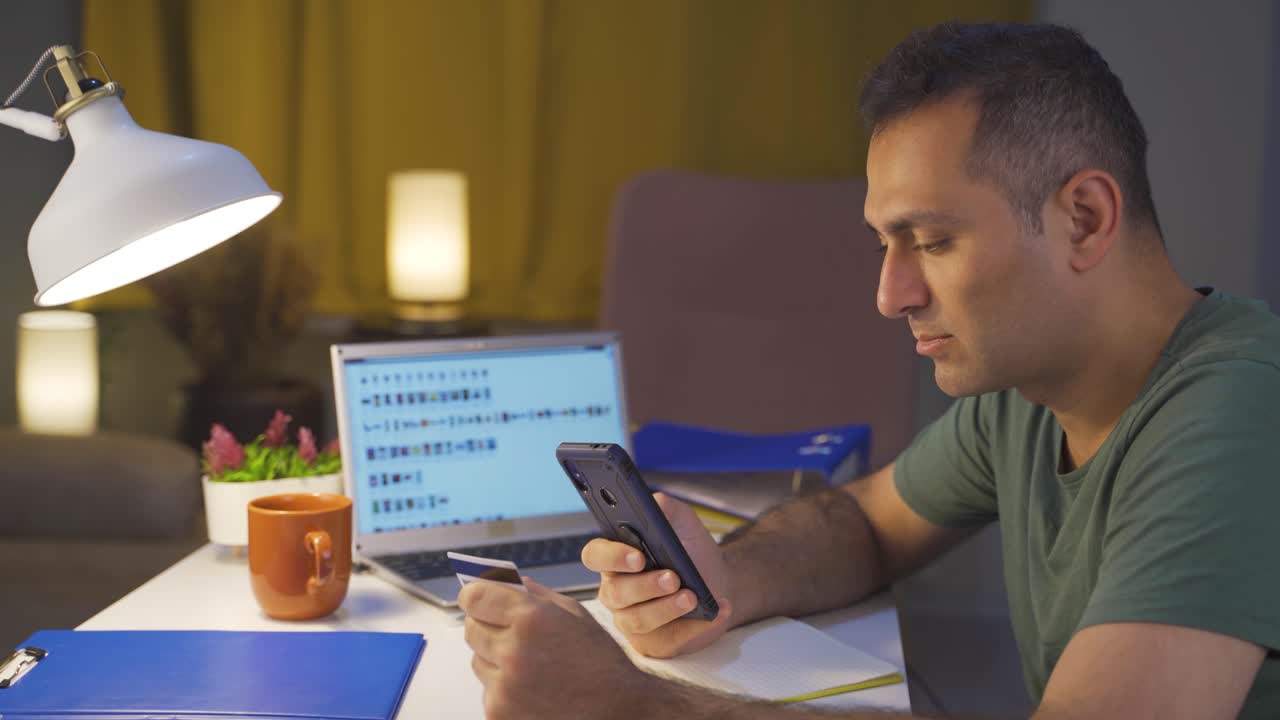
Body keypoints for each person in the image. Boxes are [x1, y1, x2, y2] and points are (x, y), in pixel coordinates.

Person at [459, 21, 1280, 719]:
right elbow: (867, 526)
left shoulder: (1237, 414)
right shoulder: (1033, 390)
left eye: (930, 242)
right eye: (884, 245)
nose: (890, 295)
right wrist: (724, 576)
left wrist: (627, 701)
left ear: (1085, 217)